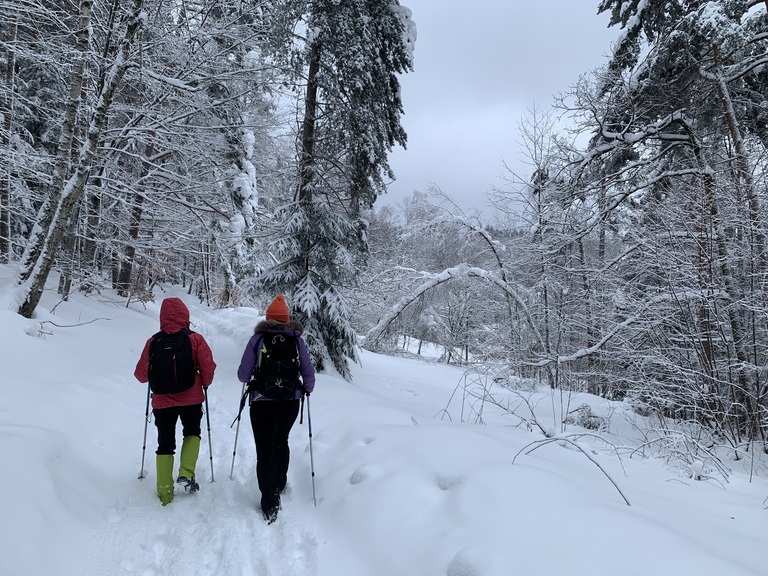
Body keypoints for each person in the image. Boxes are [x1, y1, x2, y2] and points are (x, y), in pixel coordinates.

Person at [237, 294, 315, 523]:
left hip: (261, 401)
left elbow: (243, 374)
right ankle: (279, 483)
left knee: (264, 450)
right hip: (290, 401)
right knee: (281, 441)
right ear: (287, 319)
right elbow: (308, 371)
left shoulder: (258, 340)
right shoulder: (296, 340)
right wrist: (307, 389)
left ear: (268, 318)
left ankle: (270, 502)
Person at [134, 297, 216, 506]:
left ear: (162, 317)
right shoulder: (195, 339)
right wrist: (204, 383)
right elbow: (208, 367)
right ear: (185, 315)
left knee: (165, 443)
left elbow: (141, 375)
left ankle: (164, 492)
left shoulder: (153, 342)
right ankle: (186, 471)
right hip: (191, 397)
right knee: (192, 433)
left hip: (162, 401)